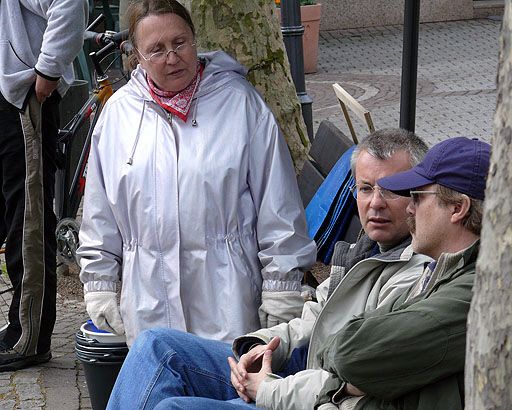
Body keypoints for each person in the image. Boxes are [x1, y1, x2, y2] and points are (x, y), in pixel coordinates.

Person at [105, 128, 433, 409]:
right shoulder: (366, 248)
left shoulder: (416, 271)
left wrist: (268, 387)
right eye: (365, 188)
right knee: (155, 346)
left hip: (317, 397)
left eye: (391, 189)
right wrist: (260, 346)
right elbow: (317, 315)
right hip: (297, 371)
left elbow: (352, 378)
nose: (375, 203)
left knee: (172, 408)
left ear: (418, 194)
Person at [77, 0, 316, 346]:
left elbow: (278, 204)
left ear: (194, 39)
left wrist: (282, 287)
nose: (172, 57)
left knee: (226, 378)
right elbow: (100, 212)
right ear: (136, 56)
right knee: (161, 377)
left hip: (228, 299)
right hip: (149, 304)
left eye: (180, 43)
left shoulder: (240, 103)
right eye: (156, 49)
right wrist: (99, 284)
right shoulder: (118, 115)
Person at [314, 136, 490, 410]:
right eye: (364, 189)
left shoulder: (476, 292)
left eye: (417, 197)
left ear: (458, 208)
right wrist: (345, 384)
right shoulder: (438, 272)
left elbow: (350, 355)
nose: (409, 208)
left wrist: (344, 383)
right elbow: (341, 344)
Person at [0, 0, 88, 371]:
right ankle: (20, 327)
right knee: (17, 216)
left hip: (20, 98)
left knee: (28, 219)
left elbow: (68, 4)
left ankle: (29, 337)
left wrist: (47, 71)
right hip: (12, 93)